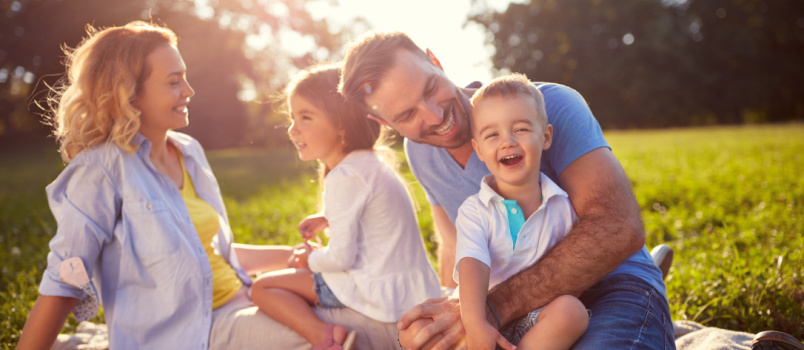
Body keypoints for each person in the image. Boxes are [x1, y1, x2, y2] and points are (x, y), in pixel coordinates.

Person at [16, 22, 407, 350]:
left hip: (239, 301)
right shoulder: (99, 172)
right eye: (174, 82)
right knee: (352, 339)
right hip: (195, 334)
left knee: (365, 312)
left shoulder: (187, 152)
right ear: (129, 93)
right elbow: (65, 280)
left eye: (185, 78)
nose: (189, 91)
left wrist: (294, 256)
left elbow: (206, 255)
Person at [339, 30, 674, 349]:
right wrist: (451, 317)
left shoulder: (546, 105)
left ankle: (652, 281)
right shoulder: (420, 153)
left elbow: (617, 228)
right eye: (408, 114)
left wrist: (491, 308)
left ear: (435, 60)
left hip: (609, 286)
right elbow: (454, 246)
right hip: (512, 309)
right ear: (386, 125)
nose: (436, 114)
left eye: (430, 88)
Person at [248, 63, 441, 349]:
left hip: (375, 291)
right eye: (292, 118)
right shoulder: (371, 162)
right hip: (411, 287)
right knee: (282, 279)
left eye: (305, 118)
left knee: (262, 286)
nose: (293, 129)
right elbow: (373, 215)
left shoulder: (344, 176)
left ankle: (325, 337)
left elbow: (340, 259)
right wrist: (328, 218)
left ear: (340, 123)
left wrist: (308, 260)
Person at [451, 73, 589, 350]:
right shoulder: (474, 210)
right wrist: (477, 325)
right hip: (482, 315)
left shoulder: (562, 205)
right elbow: (472, 264)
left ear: (545, 137)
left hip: (538, 320)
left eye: (521, 129)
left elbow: (573, 268)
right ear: (478, 149)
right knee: (414, 332)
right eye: (492, 134)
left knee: (572, 312)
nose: (507, 142)